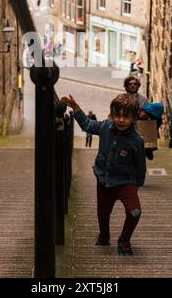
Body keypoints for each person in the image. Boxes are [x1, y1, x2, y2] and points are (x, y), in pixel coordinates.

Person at [61, 93, 146, 256]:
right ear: (112, 114)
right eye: (117, 115)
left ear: (134, 118)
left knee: (135, 211)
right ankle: (104, 235)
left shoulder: (137, 141)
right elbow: (87, 125)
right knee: (103, 213)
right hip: (104, 180)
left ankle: (124, 240)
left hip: (126, 182)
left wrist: (137, 185)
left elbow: (140, 165)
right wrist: (76, 107)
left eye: (126, 117)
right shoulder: (105, 126)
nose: (121, 120)